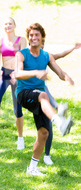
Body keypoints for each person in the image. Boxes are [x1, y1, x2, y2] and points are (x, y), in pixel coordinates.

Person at [14, 23, 74, 177]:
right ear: (28, 38)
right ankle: (59, 122)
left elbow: (59, 72)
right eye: (31, 35)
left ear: (42, 37)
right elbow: (18, 74)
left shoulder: (46, 56)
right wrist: (36, 72)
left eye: (37, 35)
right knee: (43, 95)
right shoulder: (21, 54)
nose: (34, 38)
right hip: (24, 93)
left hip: (40, 98)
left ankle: (32, 168)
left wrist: (66, 77)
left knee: (44, 133)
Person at [0, 17, 27, 150]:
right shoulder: (0, 41)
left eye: (10, 23)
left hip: (16, 75)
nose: (8, 26)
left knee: (18, 107)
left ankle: (20, 138)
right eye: (5, 24)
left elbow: (22, 57)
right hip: (4, 73)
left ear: (15, 25)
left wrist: (16, 73)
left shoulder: (21, 40)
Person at [41, 41, 80, 165]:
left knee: (48, 125)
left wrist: (73, 47)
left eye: (42, 43)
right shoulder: (26, 56)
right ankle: (58, 107)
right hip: (30, 91)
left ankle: (46, 155)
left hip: (42, 92)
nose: (40, 46)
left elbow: (61, 55)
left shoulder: (46, 56)